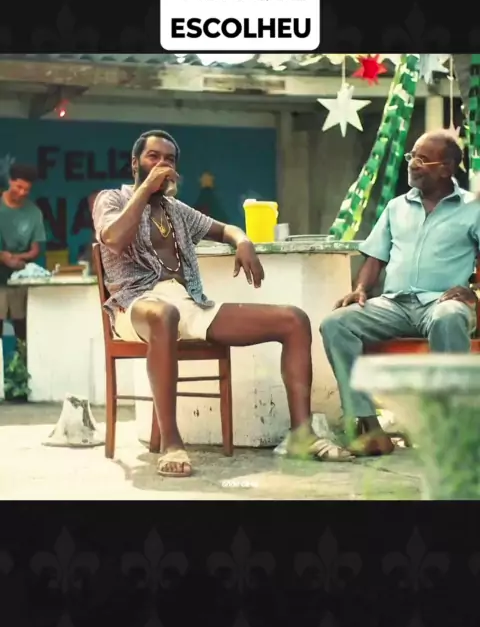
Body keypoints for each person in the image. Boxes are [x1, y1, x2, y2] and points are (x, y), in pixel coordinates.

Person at [93, 129, 354, 477]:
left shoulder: (176, 211)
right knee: (164, 315)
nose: (161, 164)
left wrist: (242, 240)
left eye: (169, 160)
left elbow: (225, 229)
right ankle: (172, 443)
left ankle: (302, 436)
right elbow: (112, 238)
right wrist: (146, 189)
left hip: (187, 304)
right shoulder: (112, 199)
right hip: (134, 306)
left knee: (294, 320)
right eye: (153, 157)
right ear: (134, 163)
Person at [320, 129, 480, 457]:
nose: (413, 164)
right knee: (335, 324)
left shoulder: (472, 208)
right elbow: (375, 257)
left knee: (449, 317)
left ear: (447, 168)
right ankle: (370, 428)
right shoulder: (396, 207)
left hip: (442, 302)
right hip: (393, 304)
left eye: (423, 159)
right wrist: (360, 289)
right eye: (412, 156)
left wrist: (475, 291)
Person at [0, 163, 46, 341]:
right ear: (10, 181)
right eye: (18, 187)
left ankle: (22, 359)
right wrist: (3, 257)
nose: (21, 192)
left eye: (26, 189)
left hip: (20, 276)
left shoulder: (34, 212)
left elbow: (35, 250)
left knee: (23, 330)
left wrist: (14, 258)